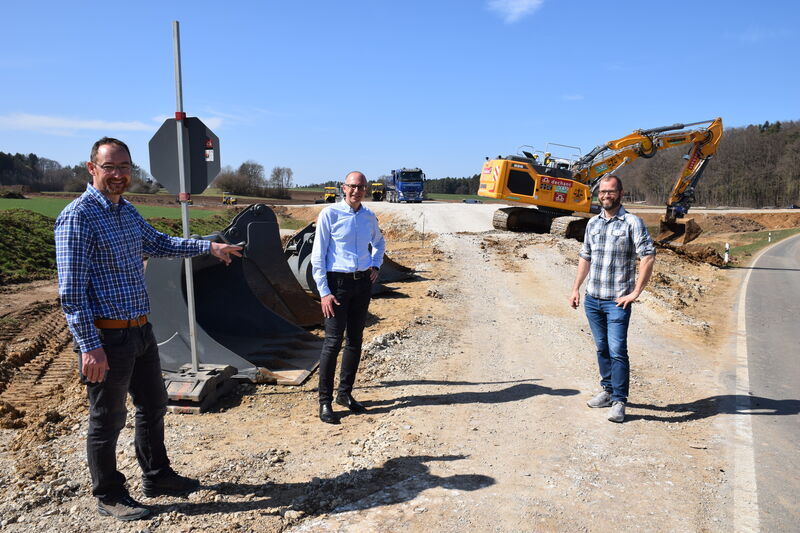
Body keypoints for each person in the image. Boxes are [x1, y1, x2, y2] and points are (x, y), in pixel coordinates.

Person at [54, 137, 242, 521]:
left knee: (153, 405)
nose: (120, 174)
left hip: (140, 331)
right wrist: (90, 347)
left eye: (125, 167)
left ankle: (157, 476)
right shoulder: (78, 217)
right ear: (92, 169)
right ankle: (108, 494)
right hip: (107, 337)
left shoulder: (126, 211)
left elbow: (159, 243)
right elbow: (71, 294)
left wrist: (208, 248)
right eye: (110, 167)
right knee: (107, 419)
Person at [569, 175, 655, 423]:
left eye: (611, 191)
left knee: (617, 350)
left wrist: (636, 292)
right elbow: (585, 257)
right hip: (592, 299)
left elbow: (648, 256)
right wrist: (576, 288)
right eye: (602, 192)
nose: (606, 195)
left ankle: (619, 401)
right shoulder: (593, 224)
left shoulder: (632, 223)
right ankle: (607, 391)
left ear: (621, 193)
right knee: (602, 348)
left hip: (617, 302)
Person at [311, 171, 385, 424]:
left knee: (355, 340)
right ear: (343, 188)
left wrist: (375, 265)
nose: (357, 191)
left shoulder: (368, 217)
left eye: (361, 187)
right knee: (332, 343)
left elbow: (379, 241)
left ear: (366, 190)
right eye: (352, 186)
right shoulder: (329, 215)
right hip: (337, 285)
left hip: (362, 284)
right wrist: (324, 292)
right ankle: (325, 402)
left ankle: (345, 394)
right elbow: (317, 256)